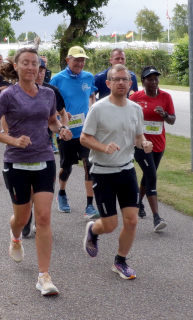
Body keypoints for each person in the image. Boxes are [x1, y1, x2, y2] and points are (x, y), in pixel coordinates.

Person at [0, 47, 73, 296]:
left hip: (44, 159)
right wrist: (13, 141)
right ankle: (14, 236)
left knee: (43, 217)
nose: (32, 68)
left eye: (36, 64)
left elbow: (52, 120)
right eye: (26, 63)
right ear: (17, 66)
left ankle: (44, 276)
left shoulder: (48, 94)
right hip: (16, 163)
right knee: (21, 219)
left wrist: (61, 129)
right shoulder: (8, 95)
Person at [80, 64, 153, 280]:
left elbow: (139, 138)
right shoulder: (99, 109)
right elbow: (84, 138)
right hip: (102, 172)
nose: (121, 82)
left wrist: (145, 143)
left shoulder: (135, 109)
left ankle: (120, 261)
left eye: (125, 79)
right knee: (110, 224)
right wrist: (103, 147)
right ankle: (94, 230)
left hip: (126, 170)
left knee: (131, 220)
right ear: (108, 82)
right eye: (116, 79)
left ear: (130, 84)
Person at [49, 46, 99, 219]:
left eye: (82, 60)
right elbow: (48, 104)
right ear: (67, 60)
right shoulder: (57, 79)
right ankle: (61, 193)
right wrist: (60, 116)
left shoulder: (88, 77)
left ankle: (90, 206)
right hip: (66, 132)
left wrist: (92, 109)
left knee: (89, 167)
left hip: (86, 132)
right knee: (67, 167)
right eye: (76, 60)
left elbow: (91, 97)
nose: (80, 63)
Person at [22, 57, 70, 238]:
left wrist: (63, 130)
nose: (40, 73)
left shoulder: (51, 91)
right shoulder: (20, 92)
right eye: (37, 69)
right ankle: (26, 217)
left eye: (43, 70)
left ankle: (38, 220)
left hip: (45, 146)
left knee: (44, 188)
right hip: (24, 149)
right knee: (30, 190)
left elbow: (63, 114)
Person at [129, 66, 176, 231]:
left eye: (156, 78)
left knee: (148, 176)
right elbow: (127, 116)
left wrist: (164, 114)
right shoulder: (135, 97)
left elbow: (172, 120)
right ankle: (156, 217)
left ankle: (137, 203)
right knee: (151, 175)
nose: (154, 81)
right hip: (140, 144)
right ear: (143, 81)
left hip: (159, 144)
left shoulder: (165, 97)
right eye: (150, 79)